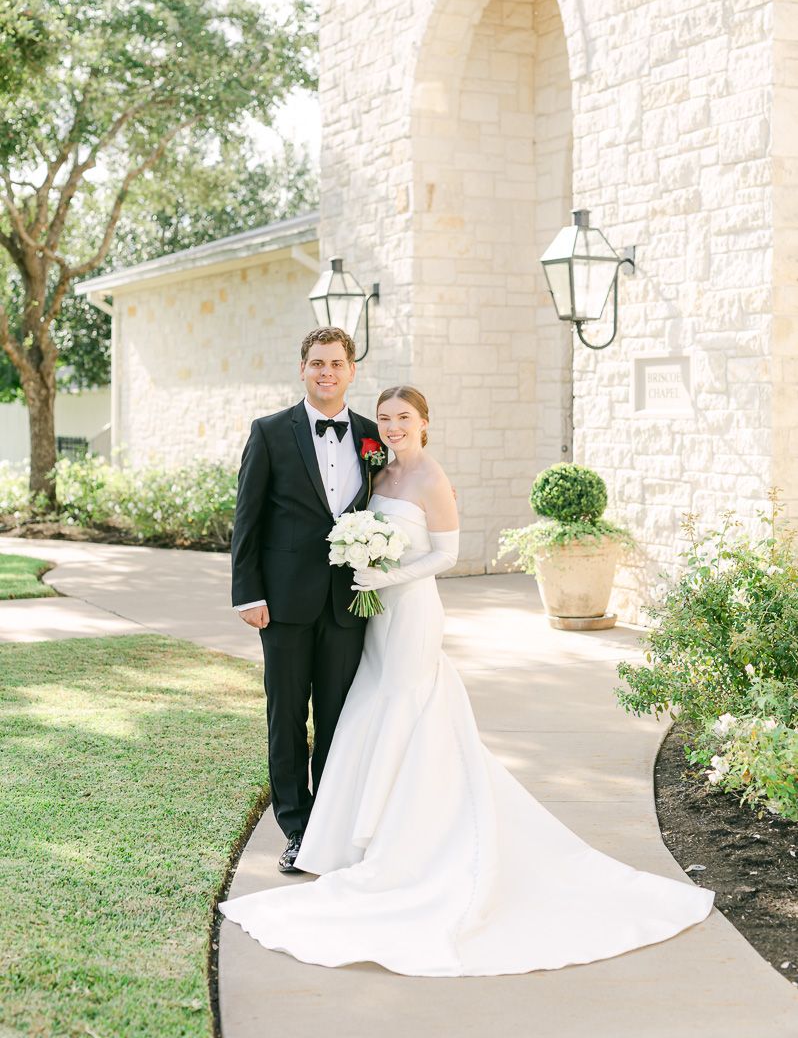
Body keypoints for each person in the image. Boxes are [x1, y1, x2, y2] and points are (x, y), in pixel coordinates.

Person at [220, 386, 715, 976]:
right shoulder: (375, 468)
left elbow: (446, 556)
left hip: (406, 611)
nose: (392, 426)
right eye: (386, 419)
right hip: (368, 618)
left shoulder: (431, 478)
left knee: (408, 709)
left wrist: (386, 576)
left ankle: (410, 840)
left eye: (403, 418)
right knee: (363, 712)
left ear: (425, 422)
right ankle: (348, 834)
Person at [230, 327, 385, 874]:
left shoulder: (373, 437)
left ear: (351, 371)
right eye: (317, 362)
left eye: (336, 363)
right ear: (302, 369)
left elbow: (387, 506)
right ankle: (296, 828)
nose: (326, 372)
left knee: (340, 718)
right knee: (287, 716)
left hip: (348, 603)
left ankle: (332, 825)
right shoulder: (270, 432)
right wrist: (247, 592)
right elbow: (247, 517)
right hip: (285, 603)